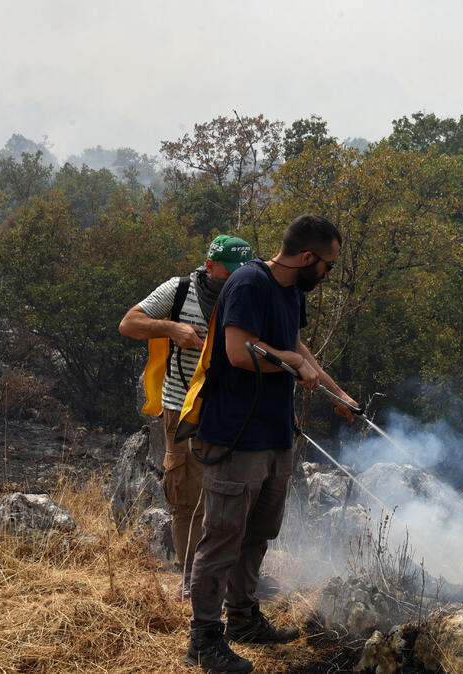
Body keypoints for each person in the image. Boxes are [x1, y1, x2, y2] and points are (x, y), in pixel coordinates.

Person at [185, 215, 357, 673]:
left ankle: (242, 618)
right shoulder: (247, 283)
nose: (328, 274)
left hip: (276, 435)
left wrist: (337, 395)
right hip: (236, 436)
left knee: (258, 534)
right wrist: (290, 363)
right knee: (222, 538)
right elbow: (239, 352)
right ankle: (203, 641)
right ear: (307, 258)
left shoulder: (292, 292)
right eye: (328, 265)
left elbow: (297, 349)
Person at [119, 234, 253, 597]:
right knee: (186, 496)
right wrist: (171, 328)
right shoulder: (178, 291)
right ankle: (191, 579)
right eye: (231, 271)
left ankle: (223, 577)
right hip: (181, 408)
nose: (237, 278)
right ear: (209, 265)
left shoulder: (245, 292)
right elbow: (129, 323)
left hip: (228, 411)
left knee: (227, 495)